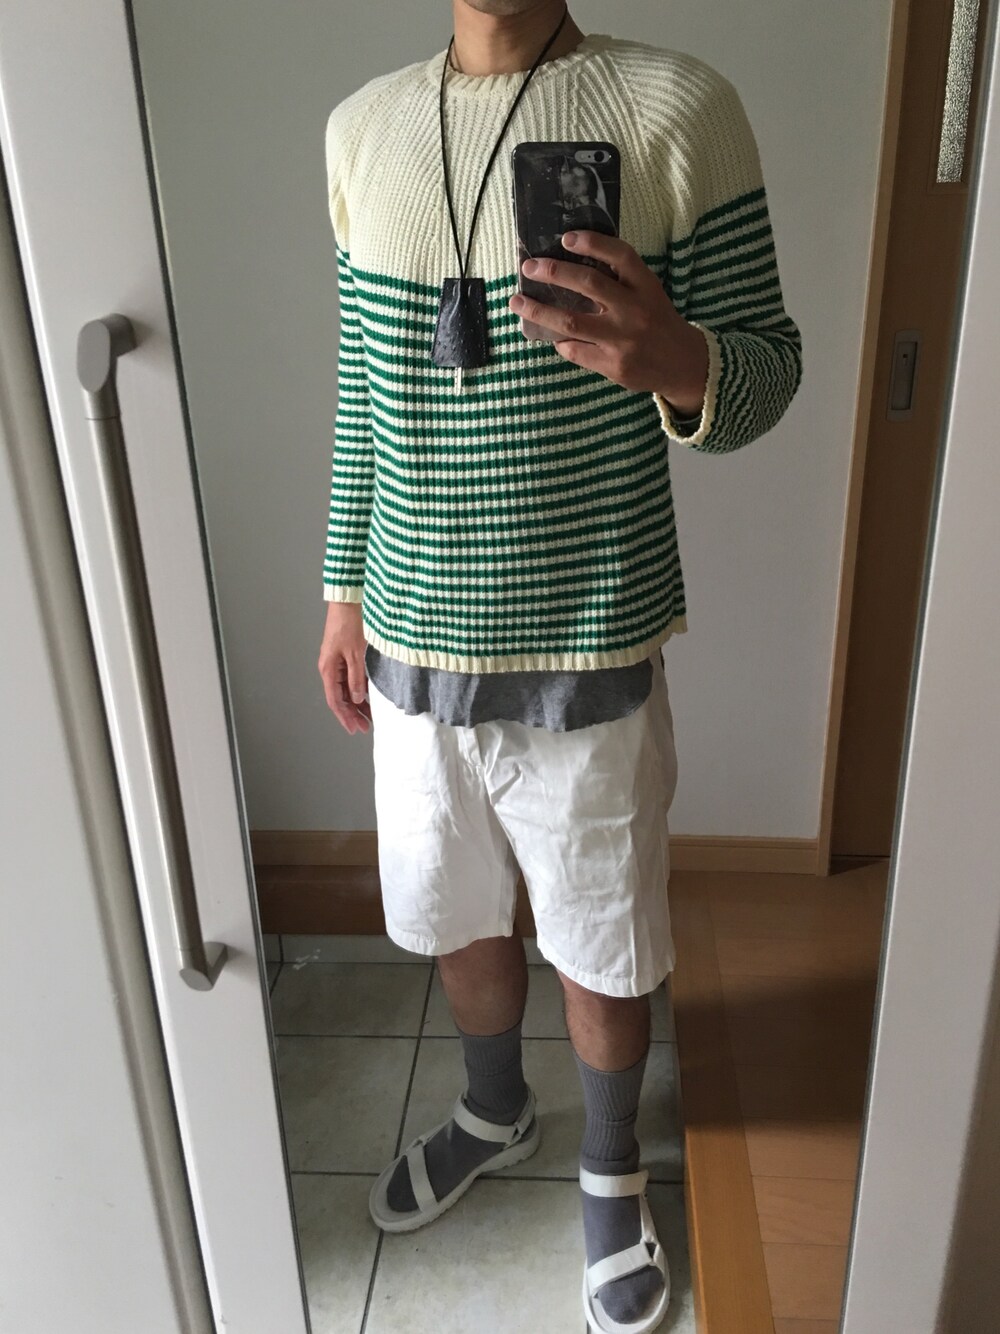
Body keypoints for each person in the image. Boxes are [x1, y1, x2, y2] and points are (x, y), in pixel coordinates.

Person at [317, 3, 803, 1330]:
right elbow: (363, 389)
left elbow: (769, 371)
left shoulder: (674, 110)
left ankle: (608, 1166)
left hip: (590, 634)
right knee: (458, 915)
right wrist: (342, 589)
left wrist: (679, 361)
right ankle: (495, 1108)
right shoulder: (362, 131)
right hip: (412, 643)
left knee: (602, 939)